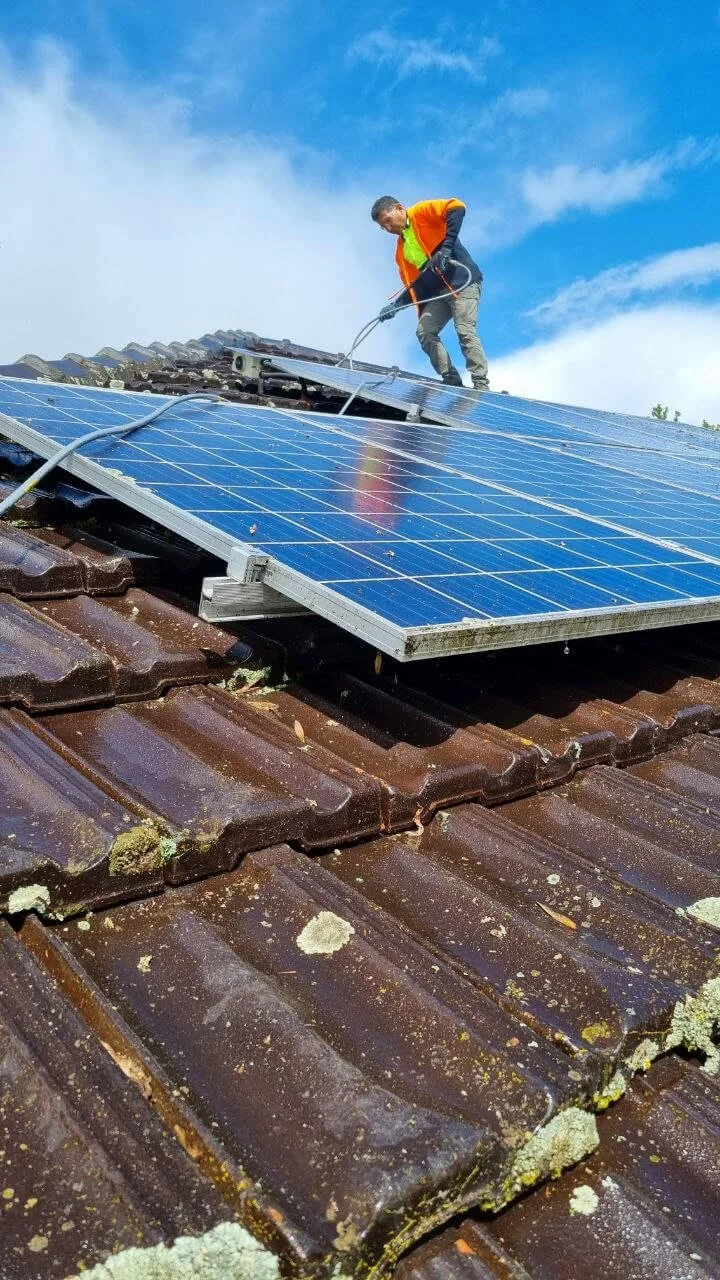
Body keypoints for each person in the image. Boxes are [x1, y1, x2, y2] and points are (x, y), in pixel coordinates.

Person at [370, 195, 489, 391]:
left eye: (388, 221)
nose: (389, 229)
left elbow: (457, 207)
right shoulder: (401, 251)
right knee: (424, 332)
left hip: (463, 283)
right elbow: (416, 284)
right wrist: (396, 306)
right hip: (440, 294)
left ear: (399, 208)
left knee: (464, 331)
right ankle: (451, 379)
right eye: (384, 227)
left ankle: (481, 385)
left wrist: (446, 249)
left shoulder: (420, 213)